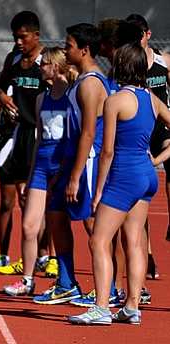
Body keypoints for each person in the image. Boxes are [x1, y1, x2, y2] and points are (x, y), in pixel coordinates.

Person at [68, 43, 170, 325]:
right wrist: (158, 159)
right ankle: (132, 306)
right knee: (134, 241)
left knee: (98, 240)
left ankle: (101, 307)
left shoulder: (115, 100)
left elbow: (107, 151)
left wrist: (99, 189)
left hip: (123, 175)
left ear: (120, 65)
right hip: (146, 175)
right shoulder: (152, 98)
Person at [33, 23, 112, 304]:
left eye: (69, 46)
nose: (65, 51)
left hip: (88, 163)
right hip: (69, 161)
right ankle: (66, 282)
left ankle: (110, 289)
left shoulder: (92, 83)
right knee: (55, 213)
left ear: (84, 49)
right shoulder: (80, 80)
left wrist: (76, 175)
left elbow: (89, 132)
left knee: (94, 225)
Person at [3, 47, 74, 296]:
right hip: (41, 167)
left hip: (63, 167)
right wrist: (32, 173)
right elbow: (38, 139)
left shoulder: (73, 95)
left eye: (44, 64)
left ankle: (70, 280)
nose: (40, 67)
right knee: (29, 226)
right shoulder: (41, 99)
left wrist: (66, 171)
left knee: (63, 226)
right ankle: (27, 280)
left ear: (55, 66)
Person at [0, 11, 50, 275]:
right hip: (13, 134)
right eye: (15, 37)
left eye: (23, 37)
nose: (18, 42)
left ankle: (43, 255)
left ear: (36, 36)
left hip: (37, 135)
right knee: (7, 199)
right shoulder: (13, 59)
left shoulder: (47, 61)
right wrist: (3, 98)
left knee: (33, 199)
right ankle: (3, 256)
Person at [126, 13, 170, 278]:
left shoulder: (163, 62)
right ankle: (148, 252)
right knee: (139, 196)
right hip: (141, 132)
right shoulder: (131, 65)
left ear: (147, 34)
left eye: (139, 35)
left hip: (162, 129)